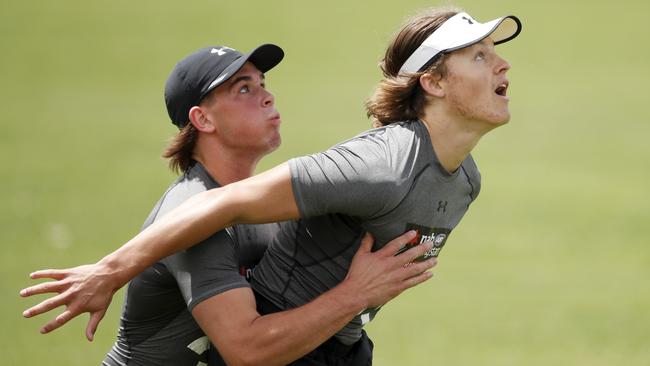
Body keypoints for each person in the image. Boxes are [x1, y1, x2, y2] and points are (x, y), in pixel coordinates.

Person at [22, 7, 523, 365]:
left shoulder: (275, 206)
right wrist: (109, 271)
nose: (267, 96)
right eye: (244, 89)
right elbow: (247, 350)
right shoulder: (197, 213)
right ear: (202, 119)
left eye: (263, 83)